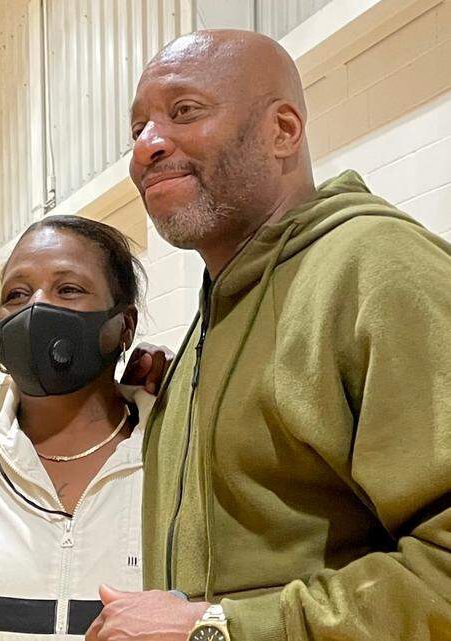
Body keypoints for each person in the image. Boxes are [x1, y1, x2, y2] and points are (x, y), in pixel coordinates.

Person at [81, 29, 451, 641]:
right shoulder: (217, 311)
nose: (146, 147)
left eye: (184, 112)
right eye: (138, 127)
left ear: (283, 131)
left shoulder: (377, 269)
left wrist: (220, 629)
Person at [0, 215, 153, 640]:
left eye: (68, 289)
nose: (36, 306)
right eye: (16, 294)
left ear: (124, 324)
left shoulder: (175, 454)